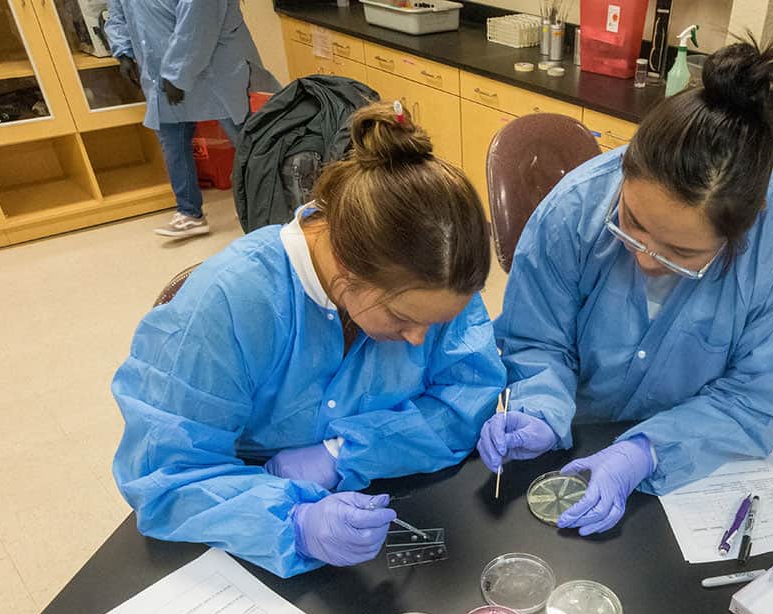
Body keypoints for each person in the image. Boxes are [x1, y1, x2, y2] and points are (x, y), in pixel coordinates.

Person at [112, 102, 506, 577]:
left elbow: (467, 398)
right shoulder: (227, 304)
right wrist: (290, 521)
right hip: (246, 532)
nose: (420, 340)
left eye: (437, 321)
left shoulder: (434, 279)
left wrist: (346, 452)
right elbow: (167, 477)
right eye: (402, 320)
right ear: (347, 267)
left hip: (390, 510)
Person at [478, 39, 773, 535]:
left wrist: (645, 452)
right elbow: (536, 339)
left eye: (681, 254)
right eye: (632, 223)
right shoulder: (573, 208)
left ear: (741, 231)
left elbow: (760, 398)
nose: (644, 258)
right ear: (624, 175)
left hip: (688, 463)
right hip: (568, 442)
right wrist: (538, 407)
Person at [104, 0, 278, 238]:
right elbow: (118, 11)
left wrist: (177, 73)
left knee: (247, 138)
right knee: (172, 139)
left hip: (215, 64)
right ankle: (189, 212)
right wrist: (122, 51)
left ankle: (267, 207)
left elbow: (199, 21)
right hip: (160, 68)